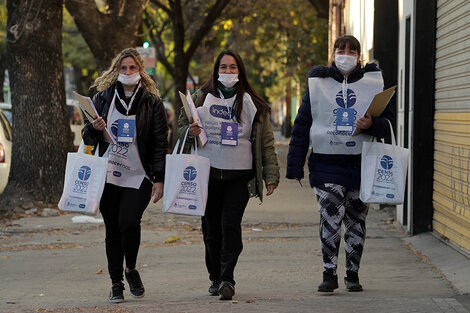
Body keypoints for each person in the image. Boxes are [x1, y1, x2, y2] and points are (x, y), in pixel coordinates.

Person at [286, 35, 395, 293]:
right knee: (330, 217)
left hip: (361, 162)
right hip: (326, 163)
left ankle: (353, 274)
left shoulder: (373, 84)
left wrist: (372, 125)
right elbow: (302, 124)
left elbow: (388, 122)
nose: (346, 54)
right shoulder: (318, 85)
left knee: (357, 220)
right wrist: (294, 164)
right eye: (341, 49)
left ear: (359, 56)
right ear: (333, 52)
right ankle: (329, 272)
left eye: (352, 50)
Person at [177, 50, 280, 300]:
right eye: (223, 67)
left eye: (233, 67)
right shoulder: (200, 98)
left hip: (240, 176)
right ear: (216, 71)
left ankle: (227, 278)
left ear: (240, 72)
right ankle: (214, 276)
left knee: (230, 225)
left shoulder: (253, 104)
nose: (228, 72)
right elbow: (180, 128)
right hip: (207, 176)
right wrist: (188, 131)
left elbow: (266, 141)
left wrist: (271, 174)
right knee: (211, 229)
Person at [81, 48, 168, 303]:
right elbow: (87, 137)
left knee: (129, 223)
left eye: (132, 68)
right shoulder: (102, 99)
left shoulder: (152, 103)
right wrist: (95, 128)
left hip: (139, 175)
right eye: (123, 68)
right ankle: (116, 283)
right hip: (108, 175)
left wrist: (160, 178)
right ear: (115, 71)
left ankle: (130, 269)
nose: (128, 72)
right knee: (112, 229)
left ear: (141, 70)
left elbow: (160, 142)